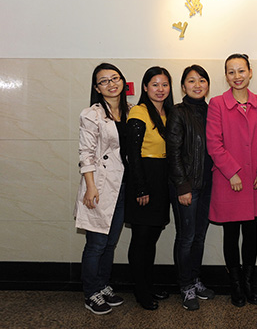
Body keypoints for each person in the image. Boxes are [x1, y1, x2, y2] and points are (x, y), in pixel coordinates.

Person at [207, 54, 257, 308]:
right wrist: (232, 172)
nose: (237, 76)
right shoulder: (217, 104)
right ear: (226, 76)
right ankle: (235, 284)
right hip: (229, 181)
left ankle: (249, 283)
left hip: (256, 179)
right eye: (231, 72)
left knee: (251, 233)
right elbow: (214, 143)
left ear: (250, 72)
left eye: (241, 71)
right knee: (230, 234)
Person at [75, 63, 130, 315]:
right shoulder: (91, 114)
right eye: (104, 81)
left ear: (122, 81)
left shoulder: (131, 111)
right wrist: (90, 187)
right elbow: (85, 153)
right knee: (96, 243)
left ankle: (102, 285)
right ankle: (91, 293)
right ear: (97, 88)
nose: (111, 84)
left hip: (122, 185)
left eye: (115, 78)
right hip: (98, 185)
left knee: (110, 243)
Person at [166, 65, 215, 311]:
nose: (197, 85)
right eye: (192, 81)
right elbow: (173, 151)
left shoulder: (212, 111)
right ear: (183, 87)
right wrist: (182, 186)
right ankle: (185, 286)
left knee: (200, 236)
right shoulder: (178, 112)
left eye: (202, 80)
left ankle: (195, 280)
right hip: (187, 186)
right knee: (185, 237)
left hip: (208, 185)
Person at [125, 66, 174, 310]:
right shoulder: (139, 111)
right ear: (145, 87)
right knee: (141, 238)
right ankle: (141, 291)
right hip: (144, 178)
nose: (160, 89)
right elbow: (132, 154)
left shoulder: (168, 113)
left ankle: (148, 285)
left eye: (164, 84)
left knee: (152, 237)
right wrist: (140, 188)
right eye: (155, 84)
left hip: (162, 179)